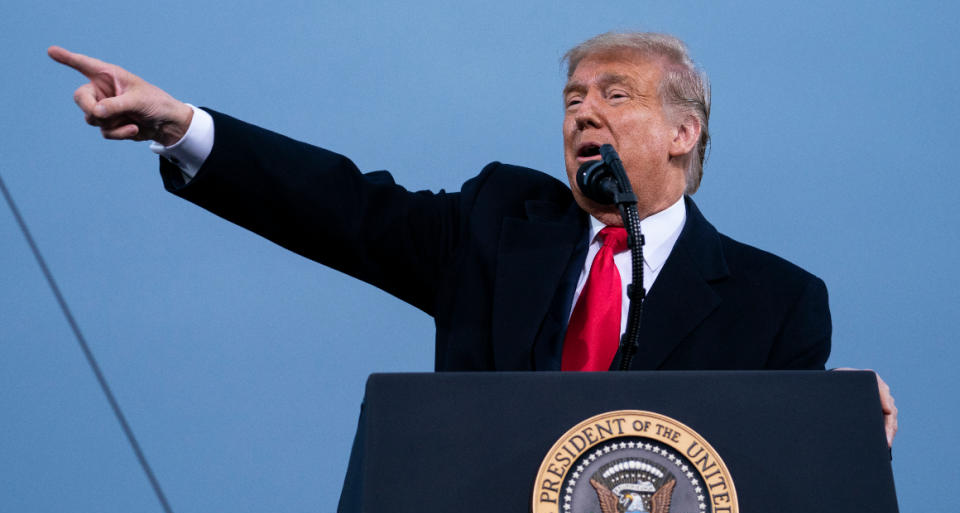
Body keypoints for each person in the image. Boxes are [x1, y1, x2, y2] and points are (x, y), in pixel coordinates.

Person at [46, 32, 897, 446]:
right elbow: (345, 209)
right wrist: (181, 126)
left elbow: (789, 468)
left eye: (616, 95)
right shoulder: (496, 225)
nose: (584, 112)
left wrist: (840, 425)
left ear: (684, 132)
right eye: (572, 99)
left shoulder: (777, 300)